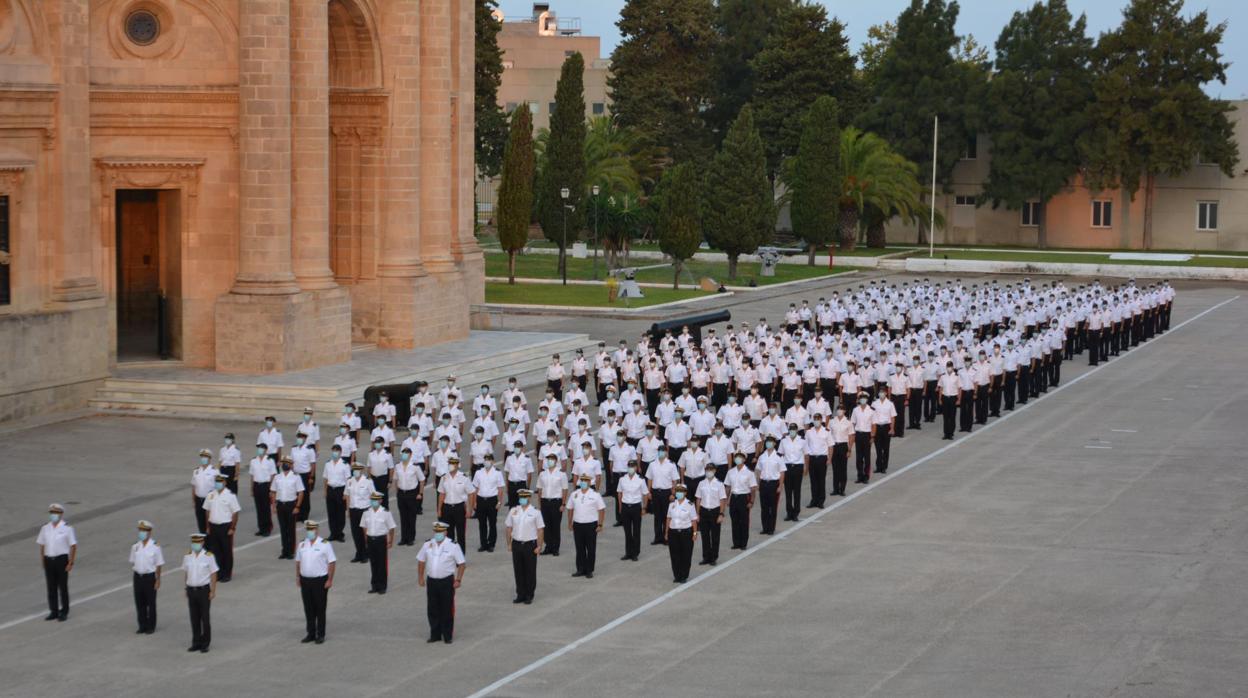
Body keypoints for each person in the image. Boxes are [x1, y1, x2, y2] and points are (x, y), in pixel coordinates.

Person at [417, 521, 466, 643]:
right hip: (432, 581)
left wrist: (458, 579)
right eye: (436, 532)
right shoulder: (428, 544)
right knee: (432, 608)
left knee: (447, 608)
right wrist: (420, 577)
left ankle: (447, 635)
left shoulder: (453, 546)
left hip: (446, 581)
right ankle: (435, 634)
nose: (437, 534)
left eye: (440, 532)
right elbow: (421, 561)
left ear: (445, 532)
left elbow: (461, 564)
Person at [295, 520, 335, 644]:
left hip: (320, 580)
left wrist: (329, 579)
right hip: (305, 580)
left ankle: (320, 634)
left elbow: (331, 562)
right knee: (308, 608)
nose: (310, 532)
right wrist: (297, 577)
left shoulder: (325, 544)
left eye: (312, 529)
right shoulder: (302, 544)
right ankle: (310, 633)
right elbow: (298, 561)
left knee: (320, 608)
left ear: (316, 530)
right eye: (308, 529)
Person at [37, 503, 76, 622]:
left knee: (62, 587)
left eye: (56, 512)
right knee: (51, 587)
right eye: (52, 512)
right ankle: (53, 611)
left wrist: (70, 562)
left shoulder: (67, 528)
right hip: (49, 559)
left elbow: (73, 546)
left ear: (61, 514)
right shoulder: (45, 528)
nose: (53, 515)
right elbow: (42, 545)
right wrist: (43, 559)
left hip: (61, 560)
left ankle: (64, 611)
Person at [504, 489, 545, 604]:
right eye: (521, 497)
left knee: (530, 571)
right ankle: (520, 594)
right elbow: (508, 527)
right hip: (517, 544)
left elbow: (540, 530)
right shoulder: (514, 510)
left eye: (524, 497)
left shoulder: (535, 512)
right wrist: (509, 543)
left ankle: (529, 595)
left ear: (529, 498)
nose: (522, 499)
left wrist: (539, 546)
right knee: (518, 570)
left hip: (530, 545)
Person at [183, 532, 217, 653]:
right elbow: (186, 572)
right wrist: (186, 588)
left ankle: (205, 643)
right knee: (194, 618)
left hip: (203, 590)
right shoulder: (187, 556)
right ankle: (196, 642)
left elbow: (213, 573)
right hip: (192, 590)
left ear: (202, 543)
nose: (195, 544)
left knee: (205, 618)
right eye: (193, 542)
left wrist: (213, 590)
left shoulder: (208, 556)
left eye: (197, 542)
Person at [202, 474, 240, 582]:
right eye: (216, 482)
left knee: (226, 551)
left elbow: (235, 513)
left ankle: (227, 574)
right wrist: (208, 526)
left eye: (220, 482)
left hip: (225, 526)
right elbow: (207, 511)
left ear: (225, 483)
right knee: (215, 551)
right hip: (213, 526)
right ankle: (219, 573)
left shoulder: (230, 495)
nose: (218, 484)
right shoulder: (210, 495)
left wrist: (232, 527)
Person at [568, 475, 606, 579]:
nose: (584, 482)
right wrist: (569, 522)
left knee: (591, 548)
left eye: (586, 481)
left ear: (590, 482)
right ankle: (580, 569)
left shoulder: (595, 495)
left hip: (591, 525)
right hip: (578, 524)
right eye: (582, 481)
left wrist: (600, 524)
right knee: (579, 548)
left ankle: (589, 570)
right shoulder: (574, 494)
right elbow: (570, 509)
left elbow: (601, 509)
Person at [130, 520, 163, 634]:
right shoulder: (135, 546)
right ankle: (142, 625)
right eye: (140, 530)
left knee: (151, 603)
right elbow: (133, 561)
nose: (141, 533)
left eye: (144, 530)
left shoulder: (155, 547)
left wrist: (158, 579)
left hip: (149, 578)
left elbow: (158, 564)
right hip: (138, 577)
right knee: (139, 602)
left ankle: (151, 626)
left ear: (149, 532)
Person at [436, 457, 474, 552]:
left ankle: (461, 557)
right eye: (449, 464)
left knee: (461, 534)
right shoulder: (444, 477)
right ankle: (451, 555)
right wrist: (439, 509)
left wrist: (470, 509)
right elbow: (441, 494)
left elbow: (471, 494)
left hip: (459, 508)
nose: (451, 466)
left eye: (453, 464)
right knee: (448, 534)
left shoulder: (464, 478)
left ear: (457, 465)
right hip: (447, 508)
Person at [361, 493, 396, 594]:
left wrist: (390, 541)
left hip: (381, 540)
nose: (374, 502)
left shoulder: (385, 512)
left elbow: (392, 527)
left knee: (382, 563)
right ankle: (374, 585)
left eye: (376, 500)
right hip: (371, 540)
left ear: (380, 501)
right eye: (372, 499)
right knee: (373, 563)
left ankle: (382, 586)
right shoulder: (366, 512)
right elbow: (364, 527)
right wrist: (366, 540)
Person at [271, 457, 306, 560]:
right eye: (283, 463)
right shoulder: (277, 477)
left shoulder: (296, 477)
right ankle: (284, 551)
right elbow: (273, 492)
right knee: (283, 529)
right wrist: (274, 506)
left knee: (291, 529)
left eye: (287, 463)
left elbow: (301, 493)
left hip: (291, 505)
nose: (285, 465)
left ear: (291, 465)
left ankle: (291, 551)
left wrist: (297, 506)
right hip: (280, 505)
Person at [615, 461, 649, 561]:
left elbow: (645, 494)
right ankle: (628, 552)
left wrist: (644, 507)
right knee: (627, 531)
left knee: (636, 531)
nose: (631, 468)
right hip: (625, 506)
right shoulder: (622, 479)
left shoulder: (640, 480)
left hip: (636, 507)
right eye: (629, 466)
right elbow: (619, 493)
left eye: (632, 466)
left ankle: (635, 553)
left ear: (635, 468)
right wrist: (620, 507)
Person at [665, 484, 698, 583]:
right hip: (673, 532)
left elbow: (694, 520)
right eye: (677, 490)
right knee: (674, 555)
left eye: (681, 491)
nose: (679, 493)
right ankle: (677, 575)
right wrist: (666, 532)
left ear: (685, 493)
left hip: (686, 532)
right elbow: (668, 518)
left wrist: (695, 533)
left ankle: (684, 575)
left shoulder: (690, 505)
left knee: (686, 554)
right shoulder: (672, 504)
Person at [471, 455, 504, 552]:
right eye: (485, 460)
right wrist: (474, 502)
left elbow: (500, 489)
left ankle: (491, 544)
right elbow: (475, 488)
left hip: (492, 500)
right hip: (481, 500)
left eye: (489, 460)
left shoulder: (497, 473)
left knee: (492, 523)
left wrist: (499, 502)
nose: (487, 462)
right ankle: (483, 544)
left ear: (493, 461)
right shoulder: (478, 472)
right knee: (482, 523)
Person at [694, 464, 726, 565]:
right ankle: (706, 557)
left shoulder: (719, 484)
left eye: (711, 469)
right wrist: (697, 513)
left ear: (715, 471)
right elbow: (698, 499)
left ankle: (714, 557)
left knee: (715, 536)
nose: (709, 471)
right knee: (705, 535)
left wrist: (721, 514)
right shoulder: (701, 483)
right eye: (707, 469)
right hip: (703, 511)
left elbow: (722, 500)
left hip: (715, 511)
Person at [535, 454, 568, 556]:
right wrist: (540, 503)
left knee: (555, 525)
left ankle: (555, 548)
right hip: (545, 501)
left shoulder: (561, 474)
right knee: (546, 525)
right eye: (548, 459)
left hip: (556, 502)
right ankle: (548, 546)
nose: (550, 461)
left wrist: (563, 503)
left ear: (556, 461)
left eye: (552, 460)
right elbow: (540, 490)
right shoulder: (542, 474)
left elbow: (565, 489)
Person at [724, 456, 758, 550]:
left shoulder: (749, 473)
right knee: (734, 521)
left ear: (744, 459)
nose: (737, 459)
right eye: (736, 457)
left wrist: (752, 501)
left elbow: (753, 489)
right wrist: (727, 499)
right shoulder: (731, 472)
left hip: (744, 497)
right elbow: (728, 487)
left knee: (744, 521)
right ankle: (736, 542)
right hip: (734, 497)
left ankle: (743, 543)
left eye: (740, 457)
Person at [646, 449, 680, 545]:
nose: (661, 453)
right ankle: (658, 537)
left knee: (667, 515)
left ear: (666, 453)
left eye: (663, 451)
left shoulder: (671, 464)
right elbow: (649, 479)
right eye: (659, 451)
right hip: (656, 492)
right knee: (657, 516)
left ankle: (667, 537)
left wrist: (673, 494)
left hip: (667, 492)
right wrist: (648, 491)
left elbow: (675, 480)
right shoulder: (652, 464)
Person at [344, 464, 376, 563]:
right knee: (356, 533)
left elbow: (373, 496)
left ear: (361, 470)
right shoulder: (349, 481)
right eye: (354, 470)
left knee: (365, 534)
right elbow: (347, 496)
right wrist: (348, 510)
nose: (355, 471)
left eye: (357, 469)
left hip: (364, 510)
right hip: (354, 510)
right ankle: (359, 553)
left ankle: (367, 554)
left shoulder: (367, 481)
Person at [755, 441, 786, 535]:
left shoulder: (778, 457)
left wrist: (780, 486)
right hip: (764, 483)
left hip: (774, 484)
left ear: (774, 444)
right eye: (767, 441)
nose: (768, 443)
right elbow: (758, 470)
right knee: (764, 507)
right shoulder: (762, 456)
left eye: (771, 442)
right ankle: (765, 528)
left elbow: (782, 472)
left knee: (772, 507)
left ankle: (771, 528)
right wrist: (758, 483)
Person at [322, 446, 352, 542]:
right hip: (331, 489)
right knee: (331, 513)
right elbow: (326, 478)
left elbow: (348, 480)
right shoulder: (328, 464)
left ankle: (339, 534)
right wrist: (325, 491)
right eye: (333, 451)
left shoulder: (345, 465)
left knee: (340, 513)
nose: (335, 453)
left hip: (340, 490)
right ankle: (333, 533)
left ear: (340, 452)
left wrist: (346, 493)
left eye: (337, 451)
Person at [248, 444, 276, 537]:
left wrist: (271, 489)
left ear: (265, 450)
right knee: (259, 508)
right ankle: (261, 528)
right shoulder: (253, 460)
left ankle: (267, 528)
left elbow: (272, 475)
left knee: (266, 508)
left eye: (261, 448)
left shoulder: (270, 461)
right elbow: (252, 475)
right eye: (258, 448)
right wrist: (252, 488)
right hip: (257, 485)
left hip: (266, 485)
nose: (259, 450)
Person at [190, 450, 218, 534]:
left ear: (209, 458)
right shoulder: (196, 471)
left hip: (209, 500)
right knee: (200, 522)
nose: (203, 459)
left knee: (210, 522)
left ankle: (211, 543)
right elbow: (194, 486)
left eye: (205, 457)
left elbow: (218, 487)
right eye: (202, 457)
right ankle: (203, 542)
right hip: (199, 500)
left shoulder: (215, 471)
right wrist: (194, 501)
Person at [871, 390, 897, 475]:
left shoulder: (890, 404)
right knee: (878, 448)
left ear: (886, 393)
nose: (881, 393)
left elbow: (893, 417)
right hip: (877, 427)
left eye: (883, 392)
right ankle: (878, 466)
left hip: (886, 427)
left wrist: (892, 428)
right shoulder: (874, 403)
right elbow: (871, 416)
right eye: (880, 392)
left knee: (886, 448)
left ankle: (884, 467)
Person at [850, 394, 875, 484]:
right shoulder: (855, 410)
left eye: (864, 398)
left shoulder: (871, 410)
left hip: (867, 435)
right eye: (861, 399)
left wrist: (872, 436)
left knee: (867, 457)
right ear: (859, 400)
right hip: (858, 434)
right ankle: (860, 475)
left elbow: (873, 424)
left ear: (867, 400)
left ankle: (866, 476)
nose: (863, 400)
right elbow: (852, 423)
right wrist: (853, 435)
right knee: (858, 457)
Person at [829, 408, 852, 496]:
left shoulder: (848, 422)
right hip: (834, 445)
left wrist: (849, 449)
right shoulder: (832, 421)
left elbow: (851, 436)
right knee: (835, 469)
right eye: (838, 409)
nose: (840, 411)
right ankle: (835, 489)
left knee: (843, 468)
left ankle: (842, 489)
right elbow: (829, 435)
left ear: (844, 411)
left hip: (843, 446)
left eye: (842, 409)